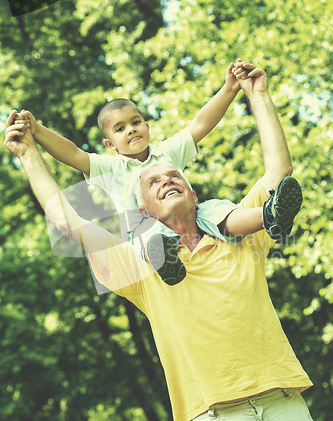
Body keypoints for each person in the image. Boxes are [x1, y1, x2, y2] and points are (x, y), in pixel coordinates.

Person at [5, 66, 331, 421]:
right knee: (148, 246)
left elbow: (278, 173)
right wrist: (30, 150)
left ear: (193, 192)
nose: (165, 179)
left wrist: (256, 94)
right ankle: (168, 248)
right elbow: (67, 220)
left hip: (283, 399)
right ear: (142, 208)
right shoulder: (138, 267)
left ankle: (270, 218)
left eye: (173, 176)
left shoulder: (238, 240)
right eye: (153, 182)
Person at [14, 60, 301, 286]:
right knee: (149, 235)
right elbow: (73, 153)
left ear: (147, 126)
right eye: (120, 128)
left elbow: (201, 123)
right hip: (144, 228)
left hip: (193, 217)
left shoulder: (166, 153)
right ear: (109, 144)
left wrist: (230, 89)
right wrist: (37, 131)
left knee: (217, 210)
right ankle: (165, 262)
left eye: (136, 122)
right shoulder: (110, 167)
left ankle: (270, 216)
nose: (131, 130)